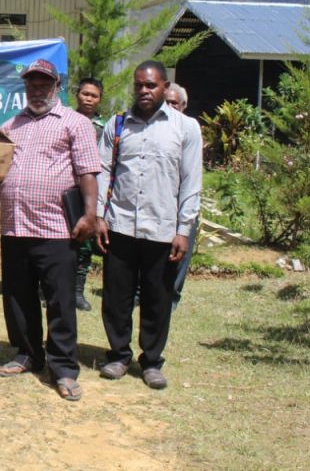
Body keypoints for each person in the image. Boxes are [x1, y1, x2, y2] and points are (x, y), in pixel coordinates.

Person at [0, 59, 100, 401]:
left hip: (56, 228)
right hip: (15, 226)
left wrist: (89, 214)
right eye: (31, 84)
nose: (37, 89)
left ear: (57, 86)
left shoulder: (75, 123)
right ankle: (28, 353)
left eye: (43, 84)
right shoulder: (12, 125)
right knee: (18, 296)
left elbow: (87, 171)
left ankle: (64, 367)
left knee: (59, 301)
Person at [96, 61, 202, 390]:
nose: (144, 91)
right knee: (117, 298)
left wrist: (184, 229)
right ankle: (118, 354)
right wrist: (100, 215)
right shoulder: (117, 126)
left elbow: (191, 182)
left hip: (162, 229)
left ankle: (152, 361)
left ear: (165, 86)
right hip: (121, 225)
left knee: (157, 298)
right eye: (139, 85)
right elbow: (101, 172)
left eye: (151, 86)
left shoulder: (185, 128)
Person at [71, 77, 105, 312]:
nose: (89, 99)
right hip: (67, 190)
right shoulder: (66, 120)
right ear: (77, 95)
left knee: (84, 245)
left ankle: (77, 292)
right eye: (85, 94)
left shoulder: (104, 128)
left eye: (93, 95)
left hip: (92, 192)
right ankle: (48, 290)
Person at [164, 82, 197, 310]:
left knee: (180, 253)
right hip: (158, 205)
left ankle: (173, 296)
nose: (169, 106)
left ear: (183, 106)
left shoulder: (189, 129)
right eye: (165, 102)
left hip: (182, 203)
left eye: (173, 103)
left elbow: (192, 175)